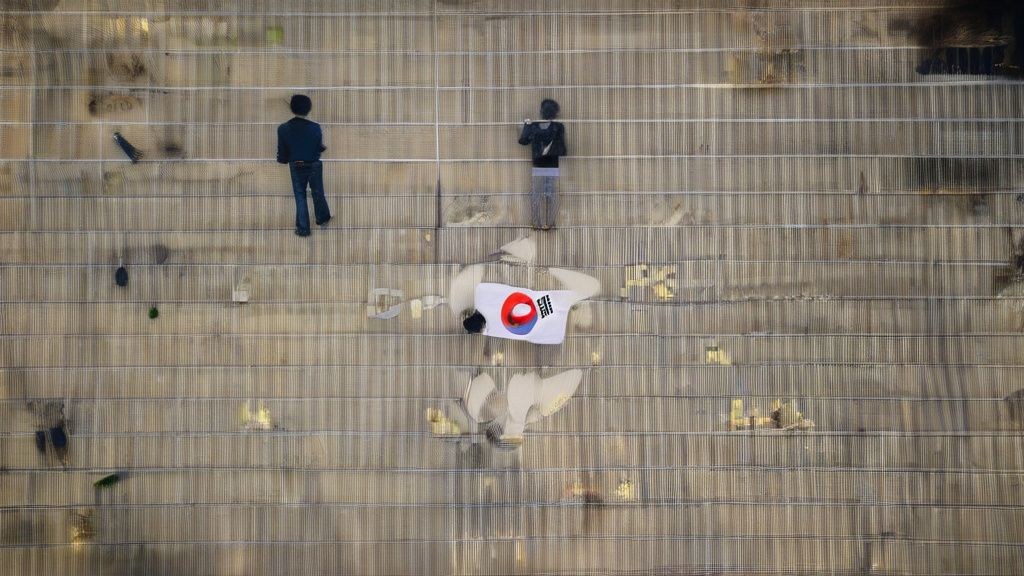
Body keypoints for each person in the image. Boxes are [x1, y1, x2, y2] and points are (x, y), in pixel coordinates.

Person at [277, 94, 331, 237]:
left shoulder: (283, 128)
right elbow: (318, 146)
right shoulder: (315, 127)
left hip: (296, 164)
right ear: (308, 109)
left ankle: (303, 228)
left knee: (300, 196)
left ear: (292, 108)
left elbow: (282, 153)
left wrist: (283, 159)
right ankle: (322, 217)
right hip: (313, 164)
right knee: (318, 192)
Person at [518, 99, 567, 230]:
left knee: (536, 195)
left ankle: (536, 223)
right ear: (555, 113)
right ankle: (550, 223)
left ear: (541, 112)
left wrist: (527, 126)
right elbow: (563, 149)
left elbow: (523, 141)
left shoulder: (533, 127)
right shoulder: (558, 127)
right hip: (552, 166)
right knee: (551, 195)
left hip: (538, 166)